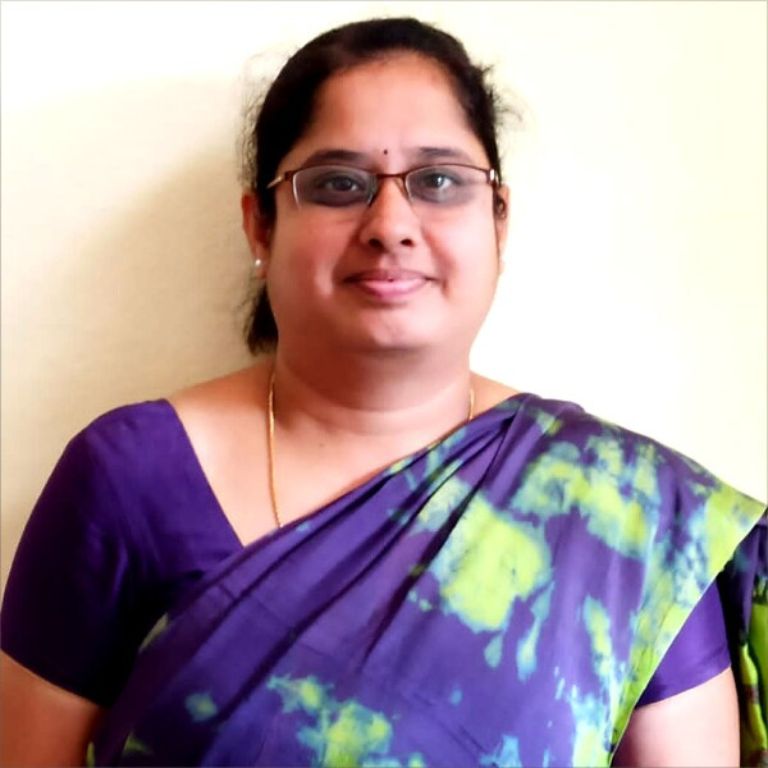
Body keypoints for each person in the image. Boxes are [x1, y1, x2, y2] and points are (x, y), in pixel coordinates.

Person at [1, 16, 765, 768]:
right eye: (338, 184)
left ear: (498, 220)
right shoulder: (130, 478)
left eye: (440, 181)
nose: (391, 224)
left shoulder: (629, 517)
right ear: (260, 226)